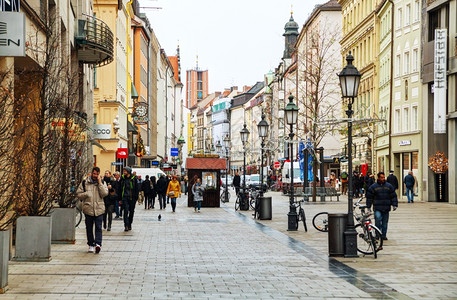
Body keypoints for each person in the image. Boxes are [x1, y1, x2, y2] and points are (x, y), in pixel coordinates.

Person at [76, 167, 108, 253]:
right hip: (88, 208)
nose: (95, 176)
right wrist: (86, 194)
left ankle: (98, 244)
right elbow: (78, 194)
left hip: (99, 209)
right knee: (89, 228)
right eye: (94, 174)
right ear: (91, 173)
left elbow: (104, 193)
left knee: (98, 227)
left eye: (97, 174)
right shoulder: (85, 183)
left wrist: (100, 183)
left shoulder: (102, 182)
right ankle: (91, 244)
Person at [366, 172, 398, 241]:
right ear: (378, 178)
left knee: (384, 223)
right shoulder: (374, 186)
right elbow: (369, 197)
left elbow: (393, 196)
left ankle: (383, 235)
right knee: (377, 219)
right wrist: (368, 206)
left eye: (384, 177)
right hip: (377, 207)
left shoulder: (389, 186)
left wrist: (394, 204)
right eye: (381, 177)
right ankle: (377, 235)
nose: (383, 179)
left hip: (386, 207)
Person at [119, 167, 139, 231]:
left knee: (131, 211)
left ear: (128, 172)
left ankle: (130, 223)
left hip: (132, 197)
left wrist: (136, 197)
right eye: (123, 171)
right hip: (125, 197)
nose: (124, 172)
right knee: (125, 211)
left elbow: (137, 189)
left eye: (125, 171)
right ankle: (126, 225)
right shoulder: (122, 179)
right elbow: (119, 189)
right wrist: (120, 198)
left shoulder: (134, 179)